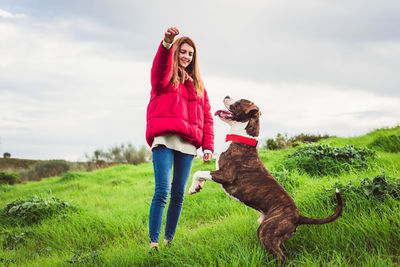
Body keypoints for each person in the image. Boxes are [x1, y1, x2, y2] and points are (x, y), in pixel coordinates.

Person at [145, 27, 214, 252]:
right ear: (176, 52)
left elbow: (206, 117)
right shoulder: (165, 77)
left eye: (190, 54)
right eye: (182, 52)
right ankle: (154, 243)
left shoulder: (199, 86)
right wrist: (166, 44)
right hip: (165, 139)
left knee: (178, 195)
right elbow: (160, 68)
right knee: (162, 191)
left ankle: (169, 242)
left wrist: (208, 146)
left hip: (188, 145)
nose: (186, 56)